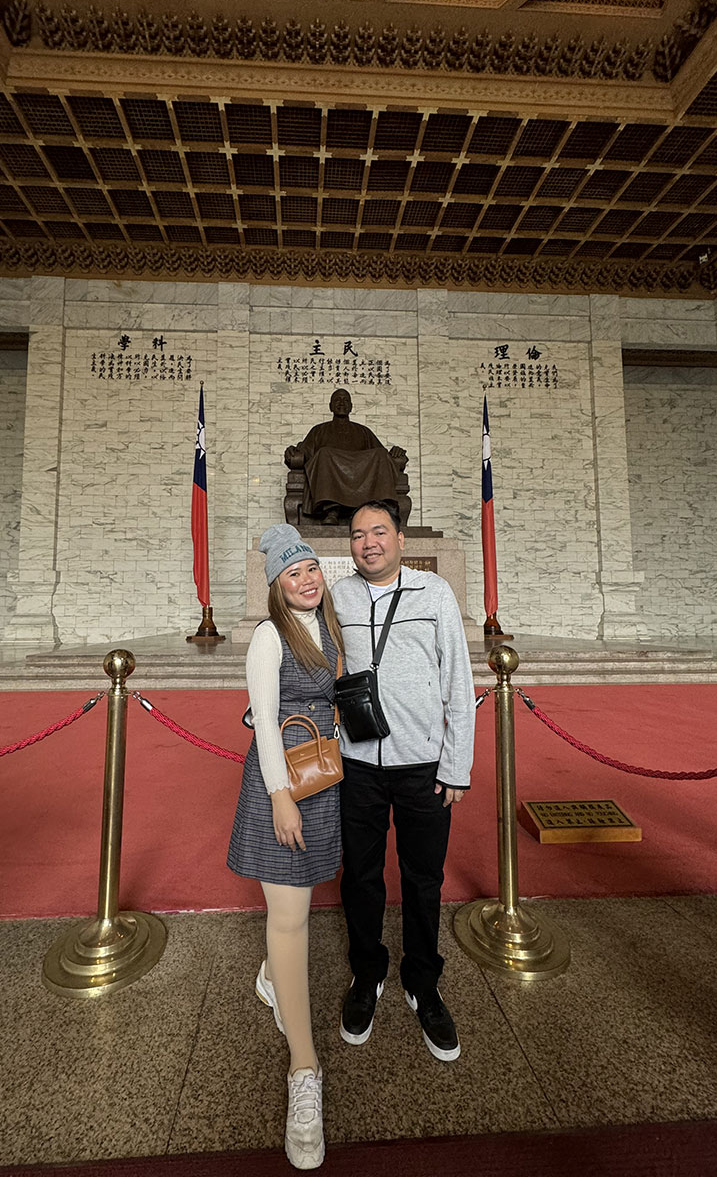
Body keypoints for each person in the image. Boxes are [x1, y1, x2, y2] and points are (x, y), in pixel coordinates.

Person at [331, 501, 476, 1062]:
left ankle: (423, 980)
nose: (368, 542)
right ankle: (367, 975)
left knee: (423, 879)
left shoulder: (432, 593)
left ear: (399, 537)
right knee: (361, 876)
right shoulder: (337, 597)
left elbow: (458, 681)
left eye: (379, 532)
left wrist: (455, 766)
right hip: (357, 764)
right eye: (358, 534)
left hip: (423, 764)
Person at [228, 523, 345, 1169]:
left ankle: (274, 977)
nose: (305, 579)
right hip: (284, 784)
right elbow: (265, 718)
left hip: (323, 777)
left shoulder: (331, 631)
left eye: (310, 569)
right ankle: (305, 1069)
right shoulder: (271, 636)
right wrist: (278, 795)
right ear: (276, 586)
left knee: (300, 907)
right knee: (292, 916)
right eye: (292, 573)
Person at [285, 388, 408, 525]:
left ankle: (379, 511)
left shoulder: (363, 431)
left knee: (379, 454)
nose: (342, 403)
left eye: (345, 400)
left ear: (351, 407)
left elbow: (382, 455)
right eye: (337, 400)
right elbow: (303, 453)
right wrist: (292, 452)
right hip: (330, 467)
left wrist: (397, 452)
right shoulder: (318, 430)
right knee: (324, 453)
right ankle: (332, 510)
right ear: (330, 406)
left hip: (361, 474)